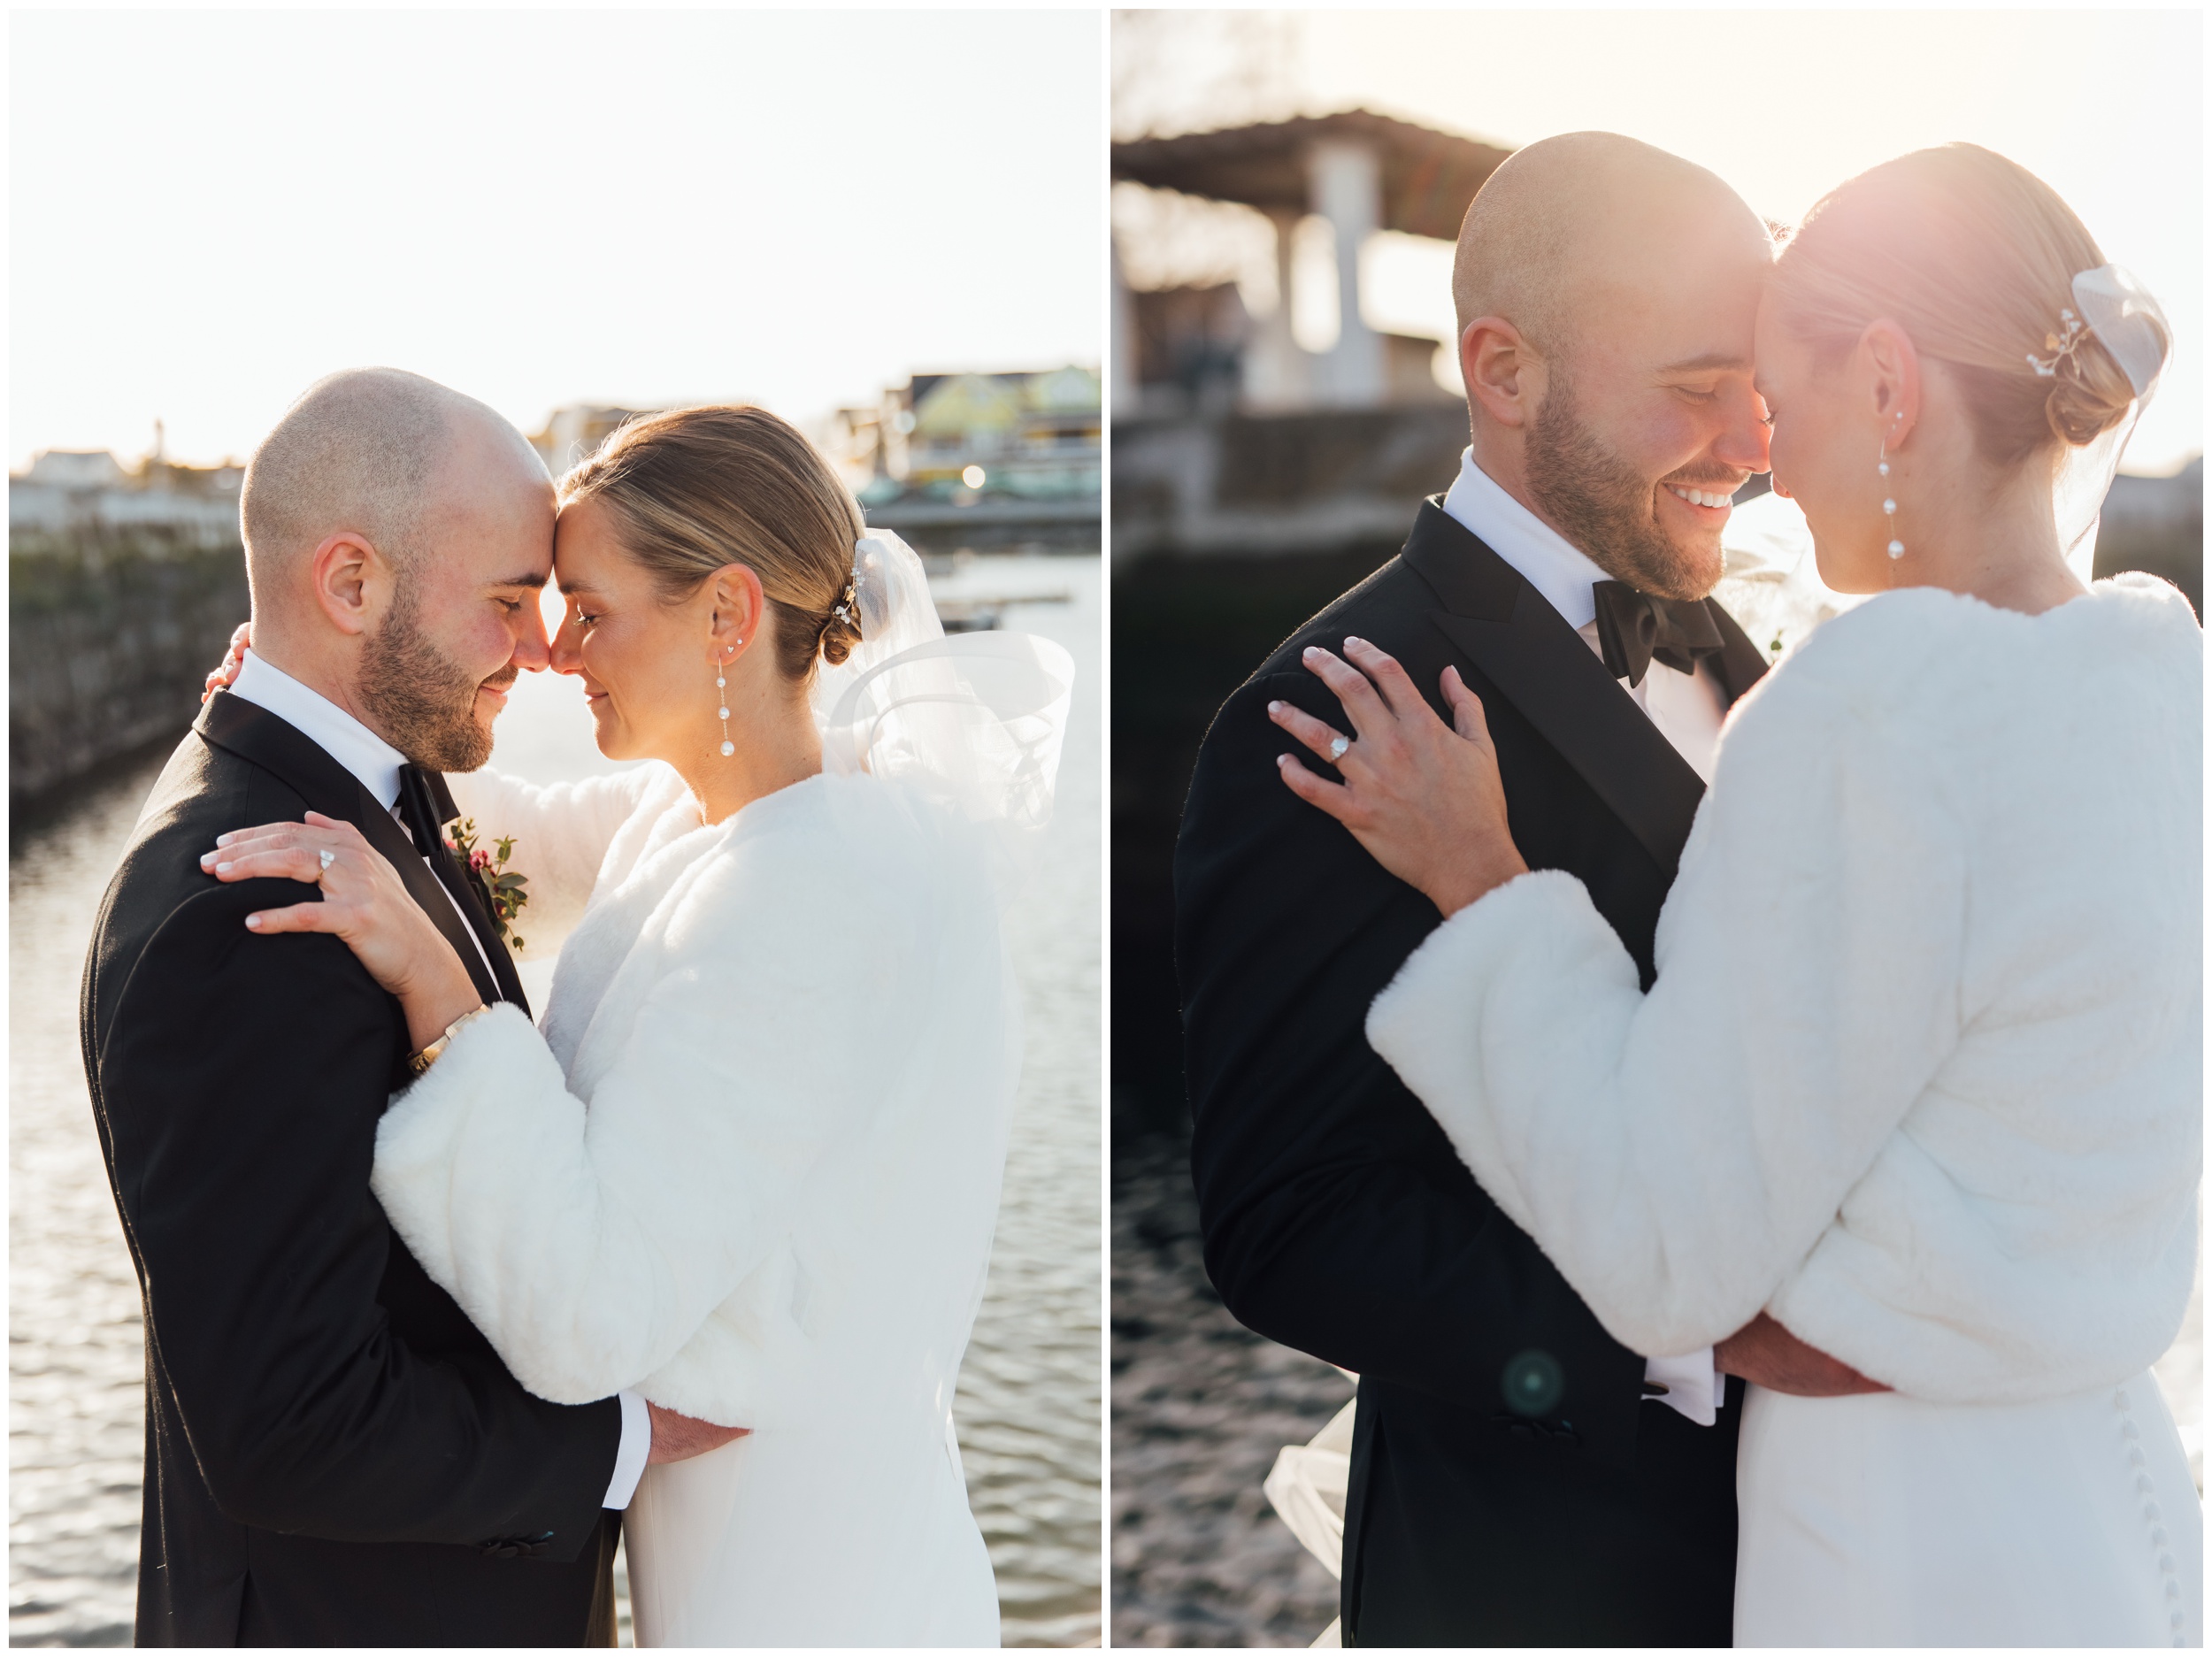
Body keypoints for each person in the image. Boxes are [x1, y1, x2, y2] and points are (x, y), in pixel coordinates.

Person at [1275, 144, 2200, 1646]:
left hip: (1902, 1537)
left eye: (1786, 384)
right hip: (2105, 1508)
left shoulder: (1872, 714)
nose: (1766, 446)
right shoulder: (2159, 682)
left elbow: (1658, 1247)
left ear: (1891, 385)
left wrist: (1485, 881)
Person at [201, 403, 1072, 1645]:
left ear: (727, 614)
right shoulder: (745, 807)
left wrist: (442, 999)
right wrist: (303, 712)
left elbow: (589, 1314)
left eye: (592, 609)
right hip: (742, 1545)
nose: (554, 649)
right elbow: (516, 839)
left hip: (804, 1591)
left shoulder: (819, 896)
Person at [1174, 132, 1886, 1647]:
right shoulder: (1330, 708)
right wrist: (1681, 1331)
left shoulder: (1738, 656)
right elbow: (1288, 1224)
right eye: (1700, 385)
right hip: (1531, 1578)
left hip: (1813, 1554)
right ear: (1505, 370)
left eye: (1758, 385)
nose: (1752, 443)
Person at [81, 369, 743, 1646]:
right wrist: (616, 1444)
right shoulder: (244, 913)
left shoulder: (371, 783)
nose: (544, 645)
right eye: (508, 600)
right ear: (349, 585)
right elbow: (290, 1426)